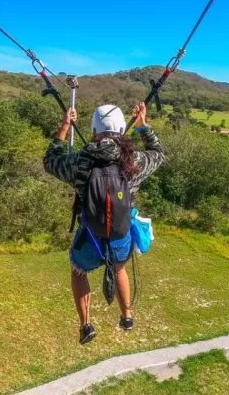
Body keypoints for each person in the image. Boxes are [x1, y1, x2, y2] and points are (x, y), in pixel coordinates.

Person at [44, 101, 165, 344]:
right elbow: (158, 154)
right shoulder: (135, 162)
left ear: (93, 131)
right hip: (120, 235)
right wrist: (143, 125)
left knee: (78, 272)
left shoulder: (78, 162)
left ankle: (86, 325)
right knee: (119, 268)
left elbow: (50, 160)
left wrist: (65, 127)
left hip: (90, 235)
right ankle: (127, 316)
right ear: (122, 130)